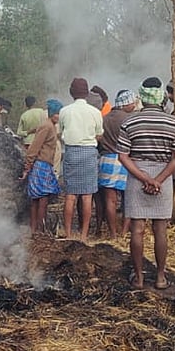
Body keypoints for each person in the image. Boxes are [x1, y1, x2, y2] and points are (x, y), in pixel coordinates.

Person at [117, 77, 175, 290]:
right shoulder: (174, 123)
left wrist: (145, 178)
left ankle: (138, 278)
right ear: (161, 98)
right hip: (163, 179)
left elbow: (122, 156)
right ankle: (160, 277)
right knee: (160, 230)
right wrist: (158, 180)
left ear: (142, 97)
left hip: (137, 177)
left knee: (137, 229)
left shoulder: (129, 122)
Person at [58, 77, 105, 241]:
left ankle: (69, 234)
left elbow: (60, 132)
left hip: (71, 152)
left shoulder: (64, 111)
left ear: (71, 93)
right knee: (87, 196)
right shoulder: (95, 112)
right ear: (86, 94)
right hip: (89, 154)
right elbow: (99, 135)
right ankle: (84, 235)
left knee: (70, 196)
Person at [98, 89, 137, 238]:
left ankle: (113, 233)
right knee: (128, 198)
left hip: (106, 160)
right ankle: (124, 231)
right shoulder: (129, 119)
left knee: (110, 200)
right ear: (125, 104)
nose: (134, 105)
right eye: (132, 103)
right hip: (125, 160)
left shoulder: (105, 118)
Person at [22, 100, 64, 236]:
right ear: (52, 113)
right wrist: (28, 164)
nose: (59, 116)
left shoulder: (50, 125)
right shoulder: (46, 126)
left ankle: (35, 230)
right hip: (41, 165)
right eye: (57, 113)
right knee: (42, 198)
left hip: (42, 164)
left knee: (37, 198)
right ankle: (40, 230)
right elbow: (35, 147)